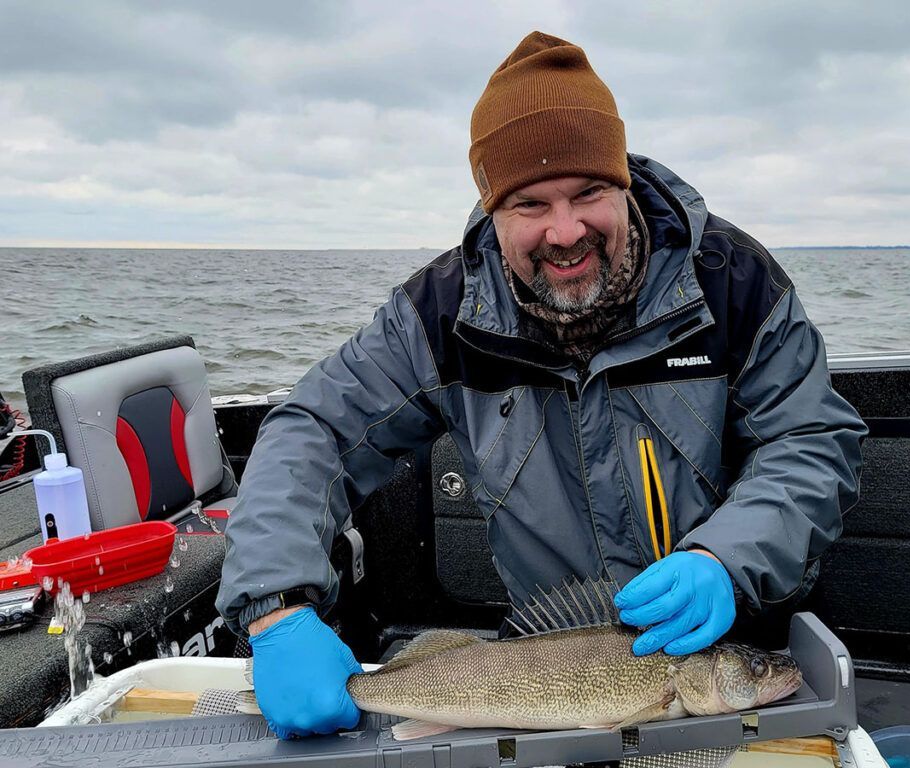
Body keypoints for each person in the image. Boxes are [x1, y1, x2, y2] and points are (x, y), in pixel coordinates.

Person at [216, 31, 867, 739]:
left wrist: (726, 558)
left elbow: (811, 439)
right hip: (547, 680)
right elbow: (313, 428)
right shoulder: (437, 315)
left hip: (731, 648)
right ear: (491, 211)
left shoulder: (733, 285)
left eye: (589, 192)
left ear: (624, 184)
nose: (565, 231)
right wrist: (276, 606)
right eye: (529, 204)